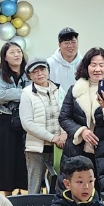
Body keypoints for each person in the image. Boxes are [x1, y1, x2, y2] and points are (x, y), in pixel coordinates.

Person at [59, 47, 104, 192]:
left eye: (101, 65)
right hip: (78, 151)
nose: (97, 69)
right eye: (93, 65)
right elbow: (64, 117)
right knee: (76, 193)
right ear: (86, 66)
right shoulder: (75, 89)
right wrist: (81, 131)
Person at [19, 60, 66, 195]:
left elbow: (66, 114)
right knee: (35, 186)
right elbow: (27, 123)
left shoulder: (59, 90)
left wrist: (64, 134)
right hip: (37, 148)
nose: (40, 74)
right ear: (29, 76)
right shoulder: (26, 93)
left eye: (43, 70)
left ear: (48, 71)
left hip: (59, 145)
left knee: (59, 184)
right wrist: (52, 137)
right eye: (35, 72)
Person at [0, 41, 28, 193]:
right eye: (12, 52)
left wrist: (12, 94)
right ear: (5, 57)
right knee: (6, 159)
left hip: (26, 119)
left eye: (18, 51)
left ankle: (24, 194)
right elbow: (0, 95)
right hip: (6, 120)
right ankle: (7, 195)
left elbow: (36, 91)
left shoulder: (29, 72)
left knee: (24, 158)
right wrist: (25, 93)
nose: (17, 55)